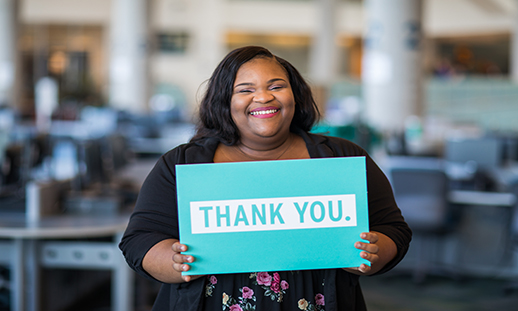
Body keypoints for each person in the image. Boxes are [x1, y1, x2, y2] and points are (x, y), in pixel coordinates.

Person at [119, 46, 412, 311]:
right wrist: (173, 262)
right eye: (245, 89)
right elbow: (139, 240)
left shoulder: (342, 157)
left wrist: (372, 253)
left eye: (276, 86)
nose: (263, 97)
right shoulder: (182, 162)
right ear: (225, 101)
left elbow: (393, 229)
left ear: (294, 94)